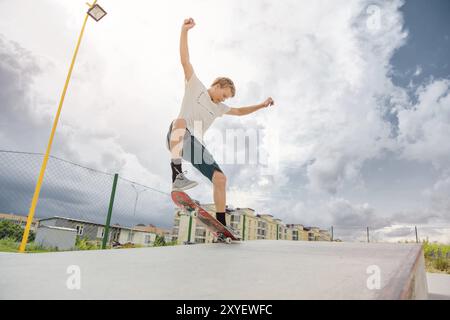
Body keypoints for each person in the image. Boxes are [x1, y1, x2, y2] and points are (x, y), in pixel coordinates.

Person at [167, 17, 275, 228]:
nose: (223, 100)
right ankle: (177, 174)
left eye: (225, 99)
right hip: (176, 136)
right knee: (179, 121)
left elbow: (240, 111)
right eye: (223, 95)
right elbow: (185, 60)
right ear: (217, 85)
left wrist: (261, 105)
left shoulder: (219, 108)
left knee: (220, 179)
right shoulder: (195, 85)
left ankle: (221, 225)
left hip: (195, 146)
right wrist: (184, 31)